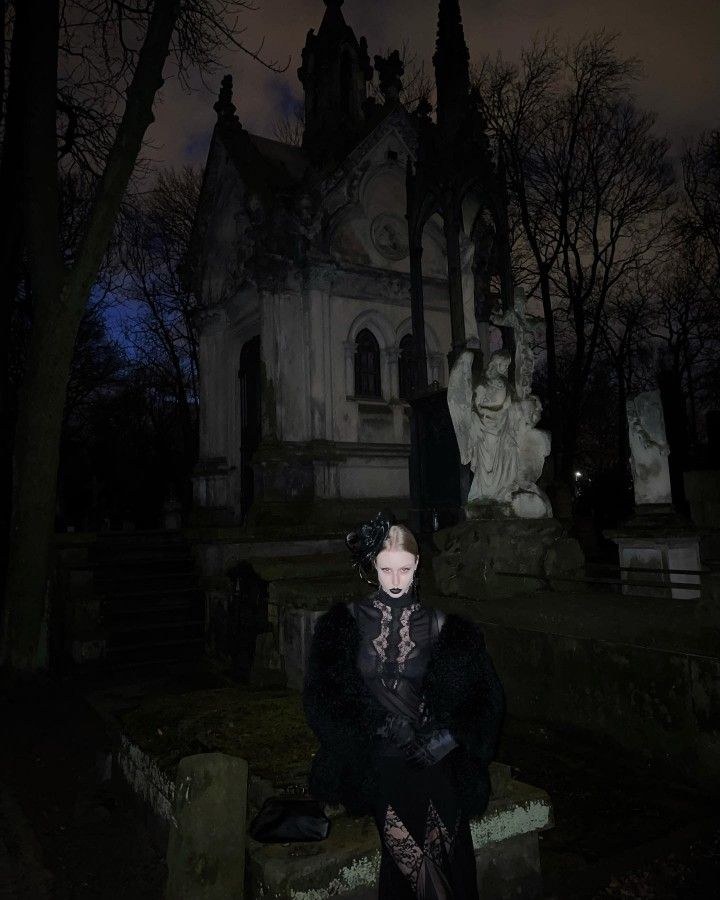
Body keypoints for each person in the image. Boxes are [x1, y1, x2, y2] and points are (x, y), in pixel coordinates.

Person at [303, 514, 505, 900]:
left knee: (450, 865)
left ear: (417, 567)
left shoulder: (443, 625)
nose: (396, 581)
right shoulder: (344, 623)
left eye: (405, 570)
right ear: (372, 569)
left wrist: (448, 737)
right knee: (417, 872)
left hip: (434, 762)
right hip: (380, 763)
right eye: (386, 570)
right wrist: (379, 725)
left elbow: (486, 698)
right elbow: (322, 698)